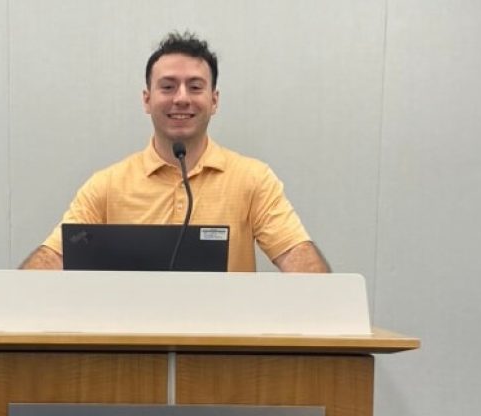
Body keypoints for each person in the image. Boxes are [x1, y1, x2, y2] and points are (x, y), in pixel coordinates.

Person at [20, 32, 329, 273]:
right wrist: (16, 298)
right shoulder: (106, 185)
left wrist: (325, 303)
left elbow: (295, 254)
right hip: (132, 352)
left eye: (195, 87)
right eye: (167, 87)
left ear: (214, 100)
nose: (181, 98)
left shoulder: (253, 180)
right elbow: (54, 257)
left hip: (222, 350)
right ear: (146, 99)